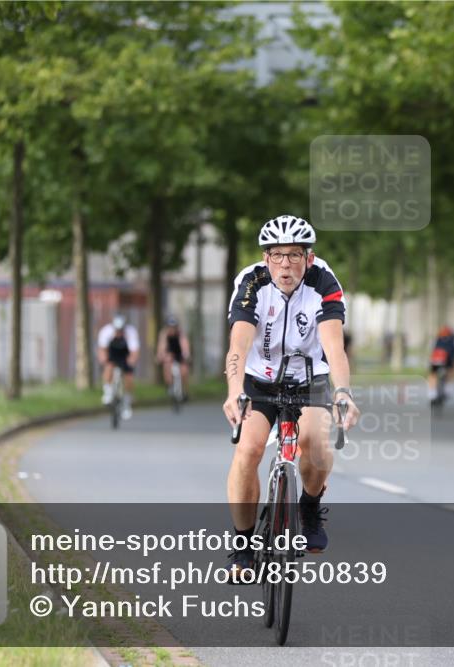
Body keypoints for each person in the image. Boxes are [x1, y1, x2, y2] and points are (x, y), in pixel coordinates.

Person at [222, 215, 361, 581]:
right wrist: (234, 390)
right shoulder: (250, 282)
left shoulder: (324, 282)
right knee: (248, 450)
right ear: (266, 258)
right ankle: (242, 545)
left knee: (316, 445)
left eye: (295, 255)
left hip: (308, 379)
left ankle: (310, 507)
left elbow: (333, 345)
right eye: (278, 255)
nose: (286, 264)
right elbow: (239, 343)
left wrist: (343, 392)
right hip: (259, 381)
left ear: (308, 258)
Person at [98, 313, 140, 420]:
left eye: (121, 330)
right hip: (112, 354)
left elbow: (134, 351)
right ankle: (107, 392)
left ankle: (126, 401)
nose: (119, 332)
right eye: (117, 330)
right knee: (108, 367)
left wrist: (131, 361)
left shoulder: (131, 332)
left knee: (129, 376)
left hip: (125, 355)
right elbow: (102, 349)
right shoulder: (106, 332)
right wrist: (104, 359)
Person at [155, 315, 190, 401]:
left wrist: (186, 354)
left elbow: (184, 345)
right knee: (167, 366)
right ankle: (170, 386)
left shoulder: (181, 334)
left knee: (184, 370)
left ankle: (184, 390)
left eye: (174, 327)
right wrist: (161, 355)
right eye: (170, 327)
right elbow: (162, 347)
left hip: (179, 353)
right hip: (169, 354)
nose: (172, 329)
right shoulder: (164, 334)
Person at [427, 325, 454, 402]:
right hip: (447, 359)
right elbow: (453, 354)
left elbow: (433, 351)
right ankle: (447, 389)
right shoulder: (452, 340)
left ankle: (431, 393)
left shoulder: (437, 339)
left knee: (432, 375)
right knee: (450, 371)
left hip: (436, 359)